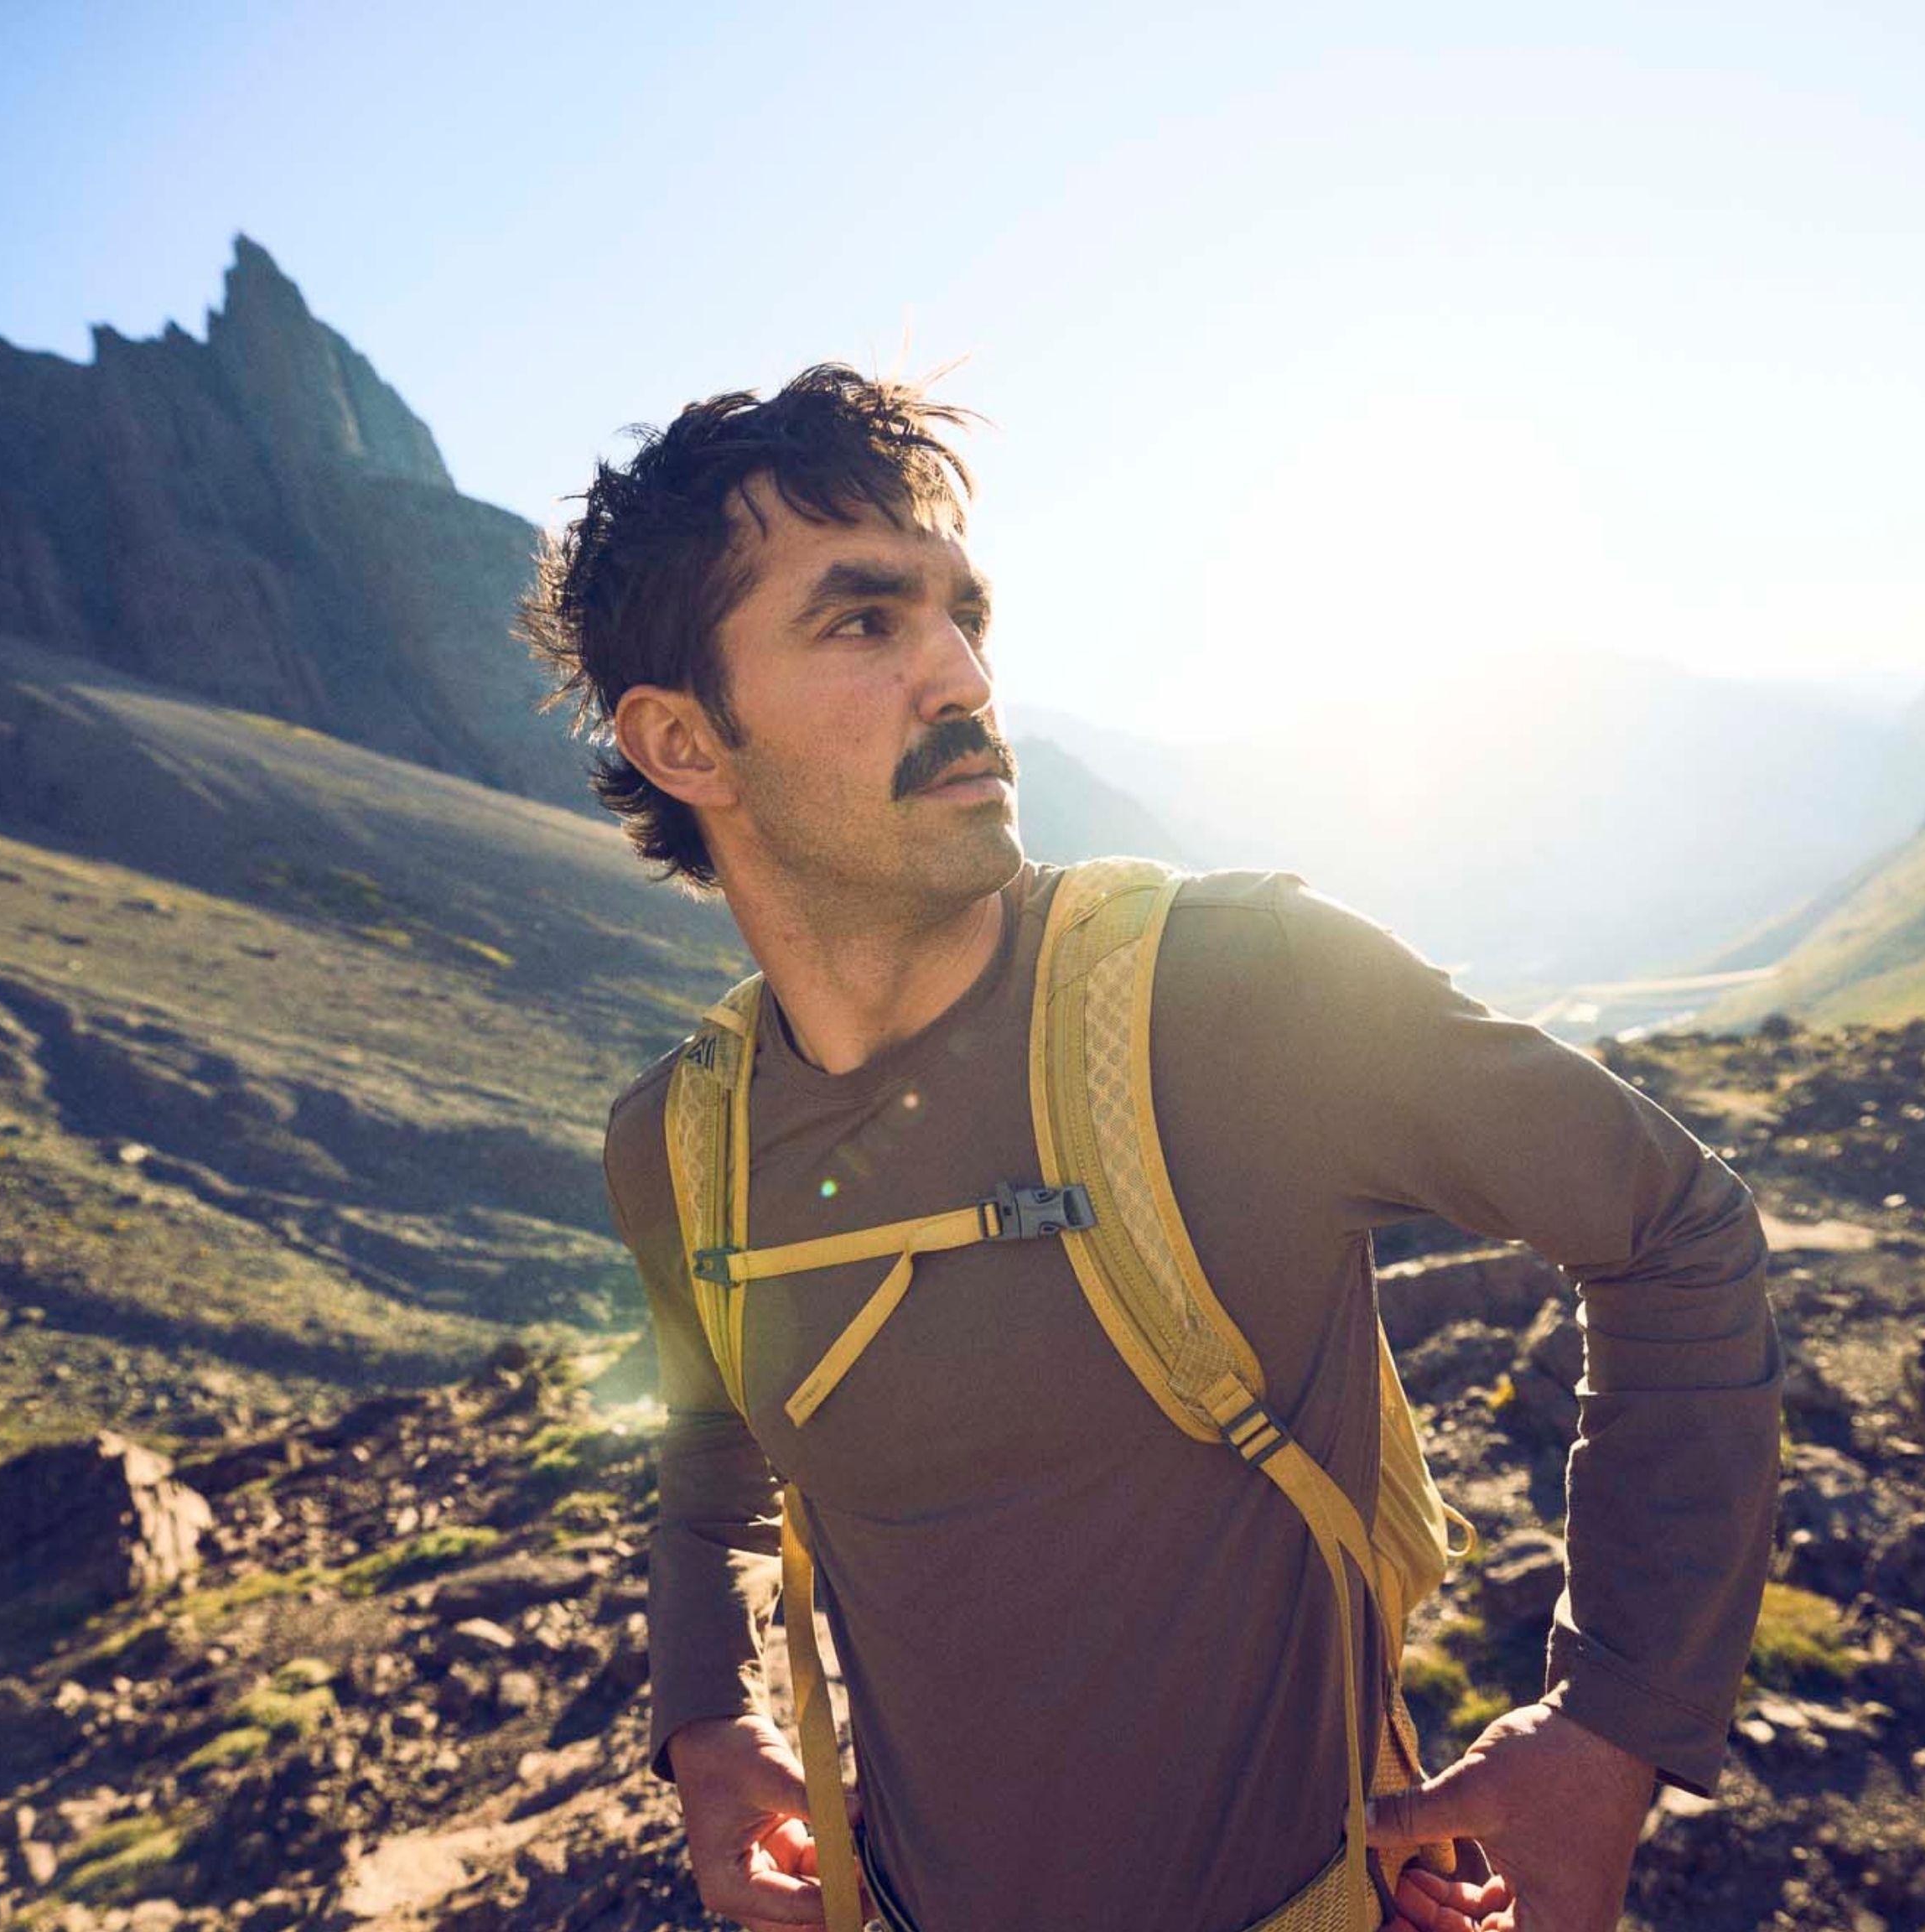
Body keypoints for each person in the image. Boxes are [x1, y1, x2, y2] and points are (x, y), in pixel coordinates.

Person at [517, 365, 1784, 1932]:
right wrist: (708, 1725)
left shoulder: (1236, 994)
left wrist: (1613, 1737)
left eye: (961, 616)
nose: (963, 675)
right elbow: (714, 1456)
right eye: (863, 623)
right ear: (686, 742)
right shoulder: (681, 1144)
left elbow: (1675, 1229)